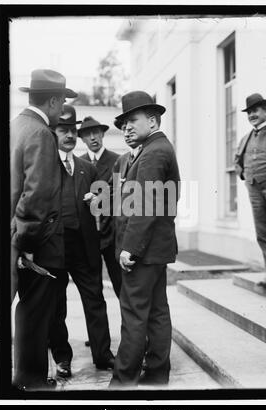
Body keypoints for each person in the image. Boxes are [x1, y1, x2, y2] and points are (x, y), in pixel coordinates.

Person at [108, 91, 180, 387]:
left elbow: (147, 204)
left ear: (152, 120)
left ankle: (123, 381)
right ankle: (156, 374)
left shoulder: (153, 152)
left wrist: (129, 249)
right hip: (155, 250)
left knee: (135, 315)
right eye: (123, 123)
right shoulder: (155, 148)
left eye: (131, 120)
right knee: (157, 312)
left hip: (144, 251)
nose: (125, 128)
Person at [11, 69, 77, 390]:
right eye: (61, 101)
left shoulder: (15, 127)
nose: (61, 108)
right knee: (36, 313)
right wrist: (27, 242)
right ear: (52, 100)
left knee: (27, 309)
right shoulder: (40, 133)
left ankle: (25, 378)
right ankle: (31, 382)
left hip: (14, 237)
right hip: (36, 244)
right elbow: (36, 195)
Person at [49, 105, 115, 379]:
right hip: (54, 248)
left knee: (95, 301)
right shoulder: (45, 166)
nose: (69, 136)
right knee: (56, 307)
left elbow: (104, 202)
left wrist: (99, 199)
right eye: (63, 130)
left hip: (85, 247)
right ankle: (62, 359)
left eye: (72, 131)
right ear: (53, 133)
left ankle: (103, 356)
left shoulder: (87, 168)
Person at [234, 93, 266, 287]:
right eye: (249, 112)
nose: (252, 114)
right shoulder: (245, 138)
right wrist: (245, 176)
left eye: (256, 110)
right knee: (263, 233)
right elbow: (237, 161)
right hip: (254, 190)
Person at [79, 117, 122, 298]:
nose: (93, 138)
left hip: (113, 235)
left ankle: (128, 326)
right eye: (87, 135)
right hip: (89, 239)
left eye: (96, 132)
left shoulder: (117, 161)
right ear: (82, 139)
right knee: (93, 294)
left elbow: (123, 196)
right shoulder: (78, 163)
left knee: (122, 287)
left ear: (103, 134)